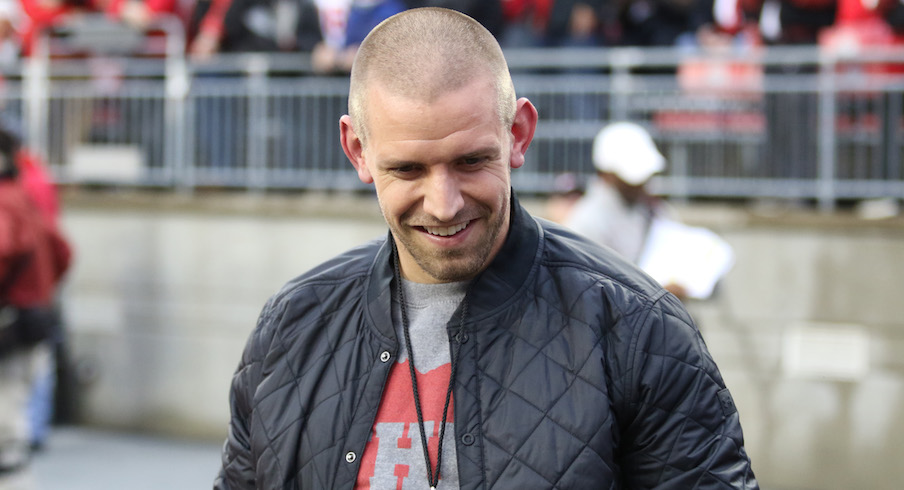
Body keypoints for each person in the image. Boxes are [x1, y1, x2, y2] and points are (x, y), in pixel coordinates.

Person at [214, 7, 758, 489]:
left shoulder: (640, 332)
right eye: (407, 169)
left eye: (471, 161)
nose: (444, 203)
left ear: (518, 133)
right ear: (358, 150)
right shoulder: (292, 325)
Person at [0, 128, 72, 489]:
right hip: (32, 318)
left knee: (6, 432)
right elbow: (62, 251)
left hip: (12, 324)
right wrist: (41, 289)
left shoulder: (5, 201)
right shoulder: (24, 195)